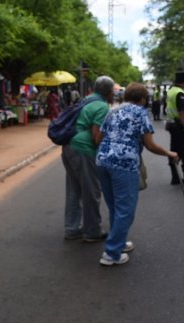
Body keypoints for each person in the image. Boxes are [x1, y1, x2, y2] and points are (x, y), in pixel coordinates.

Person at [96, 83, 178, 265]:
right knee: (125, 209)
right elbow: (150, 145)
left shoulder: (113, 111)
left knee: (115, 206)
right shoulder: (141, 112)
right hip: (124, 164)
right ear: (142, 99)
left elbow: (98, 138)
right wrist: (169, 153)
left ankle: (119, 242)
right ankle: (111, 254)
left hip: (102, 160)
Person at [62, 75, 115, 242]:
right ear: (109, 92)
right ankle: (92, 231)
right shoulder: (102, 106)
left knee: (73, 190)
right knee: (91, 190)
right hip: (83, 149)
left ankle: (72, 228)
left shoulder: (86, 100)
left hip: (68, 146)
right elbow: (96, 137)